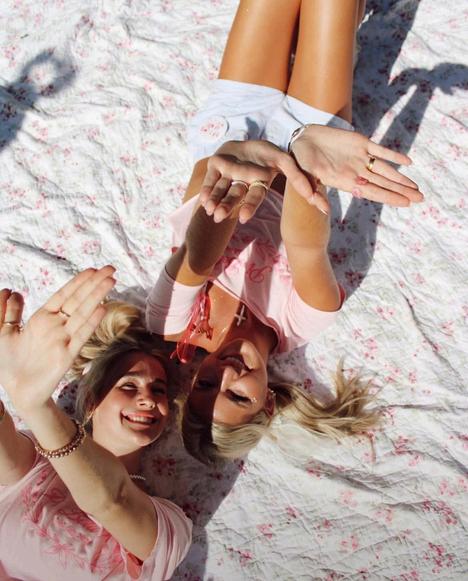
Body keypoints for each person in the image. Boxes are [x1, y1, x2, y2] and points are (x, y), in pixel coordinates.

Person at [145, 0, 423, 464]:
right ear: (268, 402)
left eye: (207, 384)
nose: (226, 374)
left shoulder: (172, 323)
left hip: (230, 131)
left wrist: (240, 165)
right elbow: (306, 244)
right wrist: (301, 158)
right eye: (238, 396)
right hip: (306, 140)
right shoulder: (301, 321)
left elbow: (198, 254)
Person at [0, 267, 192, 581]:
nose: (147, 399)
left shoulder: (171, 527)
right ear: (91, 402)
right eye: (128, 386)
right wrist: (18, 386)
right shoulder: (38, 457)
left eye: (158, 390)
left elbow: (113, 500)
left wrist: (36, 406)